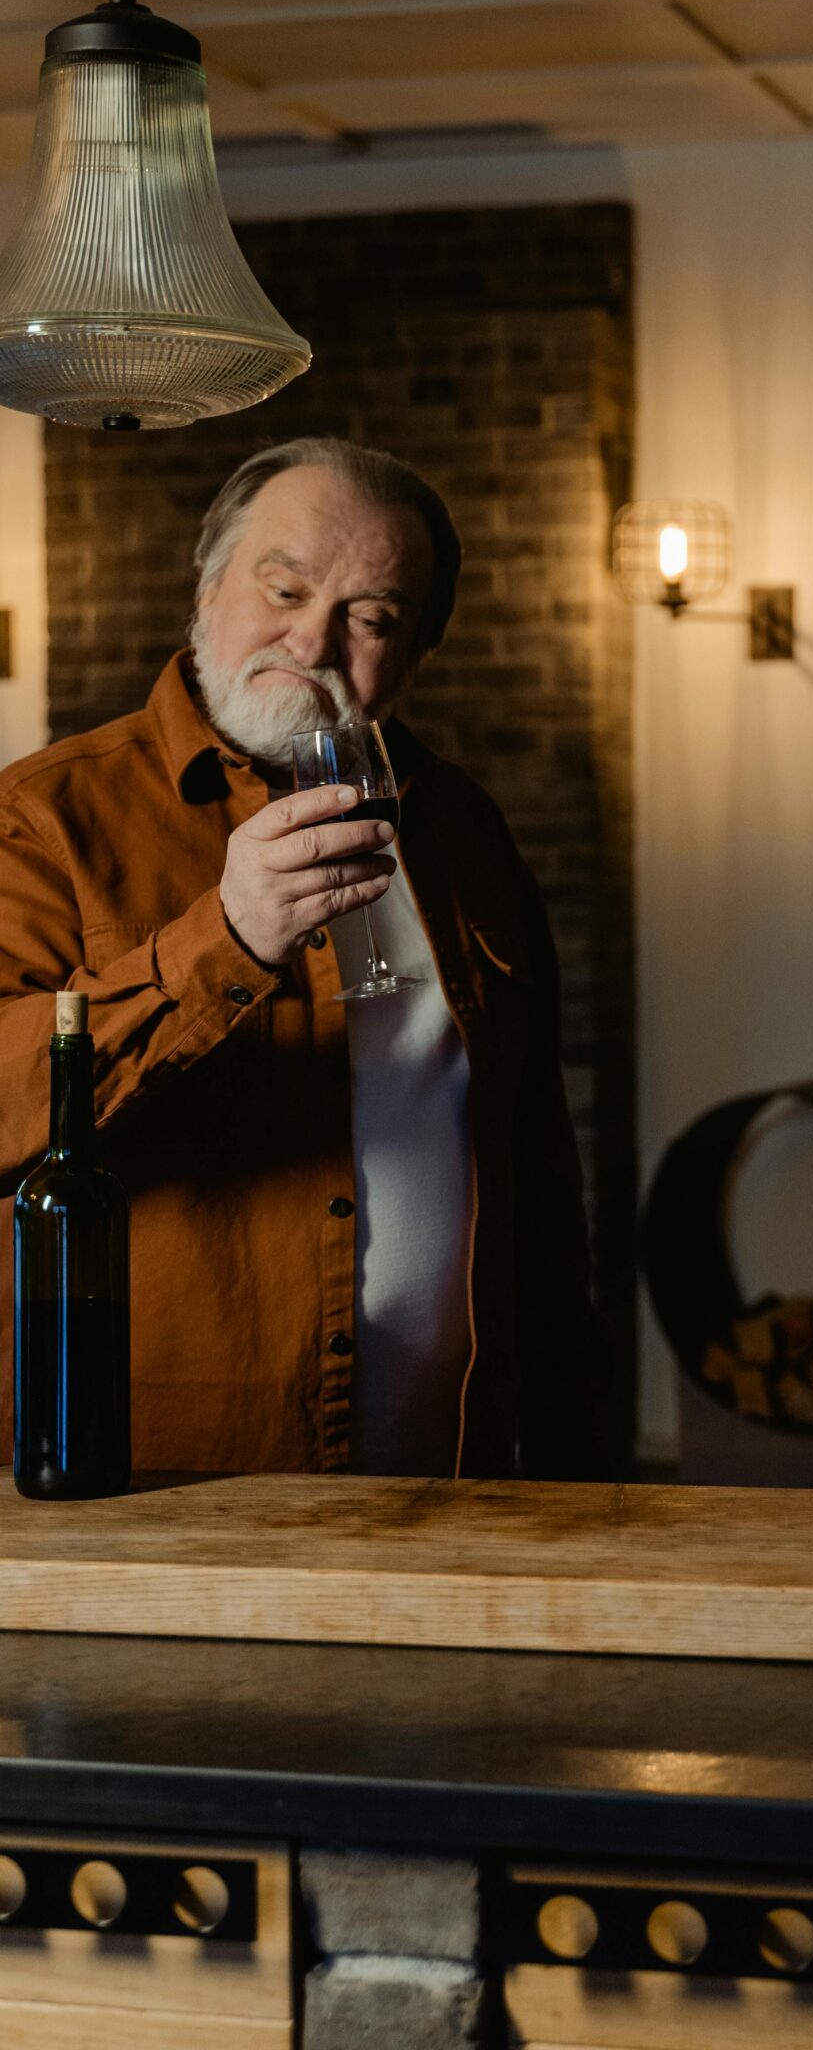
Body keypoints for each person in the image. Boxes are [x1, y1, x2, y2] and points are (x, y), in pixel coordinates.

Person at [0, 437, 598, 1482]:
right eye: (285, 586)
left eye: (371, 617)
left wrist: (569, 1459)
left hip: (452, 1474)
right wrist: (224, 938)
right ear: (209, 584)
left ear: (414, 652)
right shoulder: (47, 815)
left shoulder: (459, 825)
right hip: (167, 1482)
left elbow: (534, 1169)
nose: (312, 639)